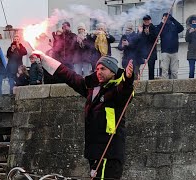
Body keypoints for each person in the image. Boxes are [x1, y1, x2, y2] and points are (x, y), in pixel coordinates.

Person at [32, 50, 134, 180]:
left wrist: (129, 78)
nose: (99, 71)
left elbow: (126, 90)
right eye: (97, 68)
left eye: (103, 68)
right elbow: (68, 76)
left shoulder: (117, 91)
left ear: (113, 72)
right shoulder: (92, 90)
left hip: (110, 153)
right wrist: (45, 58)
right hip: (94, 152)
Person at [157, 13, 184, 79]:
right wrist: (162, 22)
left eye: (168, 17)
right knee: (164, 70)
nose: (167, 18)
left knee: (174, 71)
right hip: (165, 51)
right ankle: (165, 86)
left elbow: (181, 28)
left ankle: (174, 85)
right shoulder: (161, 27)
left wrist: (173, 19)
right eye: (165, 17)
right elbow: (157, 31)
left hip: (174, 51)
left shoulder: (174, 26)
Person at [136, 15, 158, 80]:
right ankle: (137, 79)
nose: (146, 22)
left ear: (150, 20)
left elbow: (155, 39)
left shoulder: (153, 28)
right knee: (137, 66)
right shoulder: (141, 28)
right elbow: (138, 39)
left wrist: (148, 34)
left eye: (147, 20)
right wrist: (140, 32)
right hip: (142, 50)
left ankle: (151, 80)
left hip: (151, 50)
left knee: (151, 66)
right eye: (145, 20)